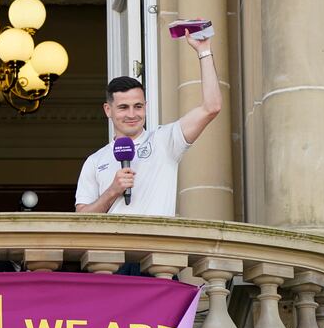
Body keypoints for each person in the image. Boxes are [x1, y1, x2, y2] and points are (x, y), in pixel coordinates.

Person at [75, 29, 221, 216]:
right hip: (113, 244)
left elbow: (211, 107)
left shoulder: (164, 140)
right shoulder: (95, 161)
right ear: (108, 110)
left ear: (146, 106)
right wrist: (113, 190)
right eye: (123, 107)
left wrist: (204, 51)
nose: (132, 114)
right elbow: (81, 218)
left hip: (156, 243)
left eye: (138, 106)